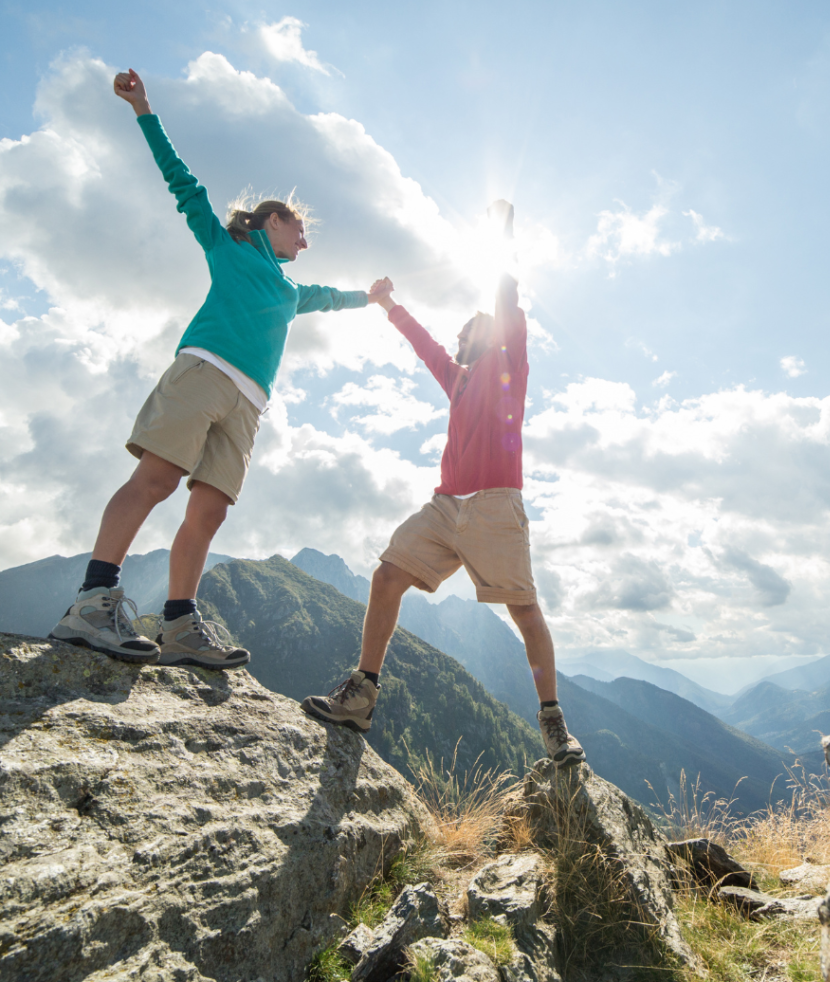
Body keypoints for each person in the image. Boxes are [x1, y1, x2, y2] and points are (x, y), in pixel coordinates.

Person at [49, 68, 392, 670]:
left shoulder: (289, 291)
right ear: (272, 220)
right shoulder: (228, 246)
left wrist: (372, 299)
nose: (305, 242)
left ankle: (179, 625)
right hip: (204, 373)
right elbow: (183, 183)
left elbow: (329, 297)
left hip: (248, 404)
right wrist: (143, 109)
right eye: (301, 229)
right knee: (155, 480)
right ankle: (91, 603)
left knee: (209, 510)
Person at [302, 202, 586, 768]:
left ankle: (553, 723)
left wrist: (501, 236)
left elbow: (506, 297)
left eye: (470, 326)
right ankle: (361, 694)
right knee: (387, 576)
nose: (460, 333)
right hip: (444, 507)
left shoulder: (512, 365)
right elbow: (421, 342)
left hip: (495, 506)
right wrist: (388, 305)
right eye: (459, 331)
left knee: (524, 610)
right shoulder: (455, 380)